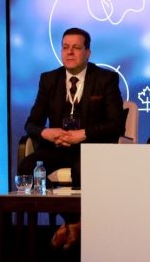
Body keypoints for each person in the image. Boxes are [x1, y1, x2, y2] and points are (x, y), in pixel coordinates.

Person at [18, 27, 125, 249]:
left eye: (76, 48)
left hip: (91, 147)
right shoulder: (49, 79)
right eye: (65, 47)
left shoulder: (106, 79)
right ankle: (72, 222)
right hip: (57, 147)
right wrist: (48, 132)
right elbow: (32, 124)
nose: (69, 52)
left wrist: (82, 134)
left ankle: (76, 228)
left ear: (88, 52)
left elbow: (115, 125)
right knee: (28, 165)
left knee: (82, 167)